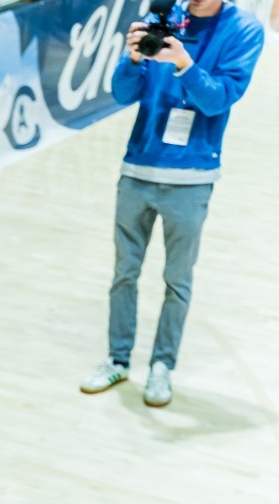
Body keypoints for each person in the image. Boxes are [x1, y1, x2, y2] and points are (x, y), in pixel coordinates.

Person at [80, 0, 263, 408]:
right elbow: (123, 93)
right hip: (138, 169)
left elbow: (219, 99)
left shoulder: (244, 30)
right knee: (124, 273)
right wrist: (131, 60)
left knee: (176, 281)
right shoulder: (164, 17)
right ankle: (117, 358)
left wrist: (184, 62)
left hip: (191, 178)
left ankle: (162, 366)